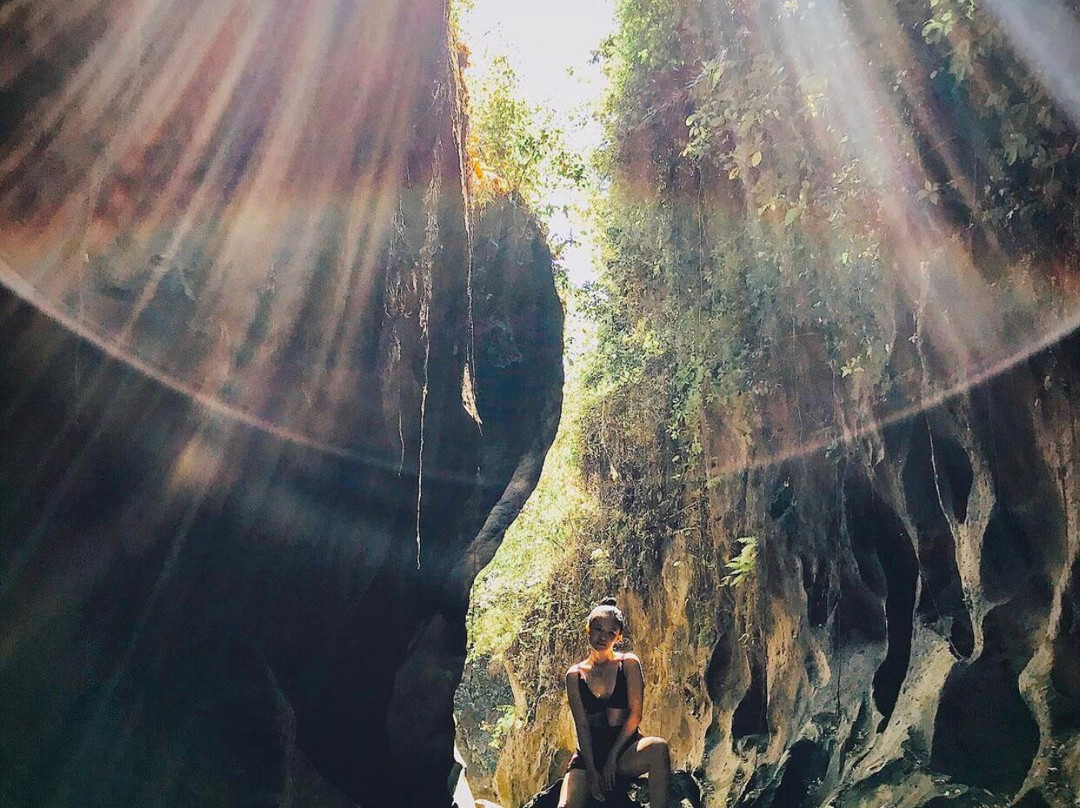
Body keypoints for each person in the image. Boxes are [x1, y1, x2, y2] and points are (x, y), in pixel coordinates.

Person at [559, 598, 671, 807]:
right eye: (599, 629)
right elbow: (582, 725)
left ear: (619, 637)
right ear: (588, 630)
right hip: (590, 754)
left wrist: (612, 758)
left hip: (624, 749)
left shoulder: (628, 664)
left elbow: (635, 715)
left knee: (658, 748)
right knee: (566, 805)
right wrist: (592, 769)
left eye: (611, 633)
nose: (604, 637)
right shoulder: (574, 675)